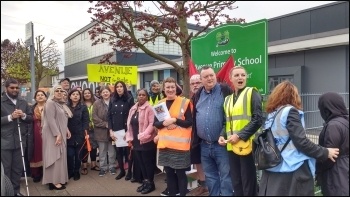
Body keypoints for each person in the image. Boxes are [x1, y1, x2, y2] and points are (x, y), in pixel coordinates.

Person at [258, 81, 340, 196]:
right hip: (292, 167)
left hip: (273, 165)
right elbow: (301, 142)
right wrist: (325, 152)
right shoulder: (290, 112)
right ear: (293, 95)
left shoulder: (272, 115)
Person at [218, 66, 262, 196]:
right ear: (231, 79)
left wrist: (240, 135)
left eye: (243, 75)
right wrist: (222, 135)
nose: (240, 78)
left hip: (248, 144)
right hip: (232, 146)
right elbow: (227, 123)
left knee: (248, 182)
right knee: (236, 181)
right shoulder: (227, 100)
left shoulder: (252, 93)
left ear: (246, 77)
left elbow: (258, 119)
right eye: (236, 75)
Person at [192, 66, 233, 196]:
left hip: (221, 144)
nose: (209, 78)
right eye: (206, 76)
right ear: (201, 79)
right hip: (204, 144)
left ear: (215, 76)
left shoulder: (225, 90)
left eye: (211, 75)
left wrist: (224, 134)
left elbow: (230, 117)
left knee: (226, 176)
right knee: (210, 176)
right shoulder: (197, 95)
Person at [153, 77, 193, 196]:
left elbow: (189, 122)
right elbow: (156, 123)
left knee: (181, 174)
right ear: (164, 89)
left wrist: (174, 120)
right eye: (168, 87)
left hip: (180, 146)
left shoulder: (184, 102)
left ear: (176, 88)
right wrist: (164, 123)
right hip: (165, 146)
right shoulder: (159, 104)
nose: (170, 89)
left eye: (172, 87)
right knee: (169, 174)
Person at [1, 78, 33, 196]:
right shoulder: (1, 102)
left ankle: (16, 191)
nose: (15, 90)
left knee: (17, 169)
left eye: (17, 88)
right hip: (5, 141)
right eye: (12, 88)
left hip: (20, 140)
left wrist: (23, 115)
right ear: (6, 88)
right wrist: (10, 117)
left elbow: (30, 119)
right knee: (6, 169)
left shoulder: (23, 102)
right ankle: (6, 192)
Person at [316, 92, 349, 196]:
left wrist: (319, 170)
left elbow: (331, 156)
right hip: (345, 167)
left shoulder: (333, 126)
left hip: (336, 174)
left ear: (326, 109)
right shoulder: (345, 121)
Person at [125, 88, 157, 194]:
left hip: (147, 141)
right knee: (141, 163)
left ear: (147, 96)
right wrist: (130, 138)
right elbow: (129, 124)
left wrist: (144, 135)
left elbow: (152, 124)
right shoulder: (133, 109)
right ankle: (145, 182)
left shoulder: (149, 108)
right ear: (136, 96)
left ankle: (151, 184)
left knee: (148, 163)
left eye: (143, 95)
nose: (141, 96)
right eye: (139, 95)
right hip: (136, 141)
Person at [42, 85, 72, 190]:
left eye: (61, 90)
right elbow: (50, 120)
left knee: (60, 157)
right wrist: (57, 134)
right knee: (54, 156)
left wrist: (66, 130)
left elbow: (62, 119)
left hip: (60, 132)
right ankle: (53, 181)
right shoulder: (50, 103)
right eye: (57, 90)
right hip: (52, 133)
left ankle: (59, 178)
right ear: (53, 92)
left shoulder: (60, 104)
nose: (59, 92)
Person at [108, 81, 135, 180]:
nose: (119, 88)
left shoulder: (129, 99)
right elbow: (109, 116)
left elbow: (132, 116)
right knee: (118, 152)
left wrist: (129, 131)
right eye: (117, 87)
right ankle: (122, 172)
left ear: (124, 88)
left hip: (126, 130)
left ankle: (130, 172)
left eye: (121, 86)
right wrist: (110, 130)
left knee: (128, 152)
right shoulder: (112, 99)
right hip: (116, 131)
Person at [188, 74, 208, 196]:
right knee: (197, 162)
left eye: (198, 82)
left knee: (210, 162)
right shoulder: (188, 100)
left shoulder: (207, 97)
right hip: (193, 138)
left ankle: (214, 186)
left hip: (207, 138)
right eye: (193, 83)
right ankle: (203, 185)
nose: (195, 85)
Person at [92, 86, 117, 177]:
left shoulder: (114, 101)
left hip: (113, 131)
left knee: (112, 150)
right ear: (100, 94)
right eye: (103, 92)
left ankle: (112, 166)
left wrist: (112, 125)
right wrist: (106, 124)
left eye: (107, 92)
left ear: (110, 92)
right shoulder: (96, 103)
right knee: (102, 151)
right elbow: (94, 117)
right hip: (100, 131)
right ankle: (103, 167)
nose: (105, 93)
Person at [66, 87, 89, 181]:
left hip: (80, 133)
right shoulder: (65, 106)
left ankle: (76, 171)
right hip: (69, 134)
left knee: (78, 154)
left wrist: (85, 132)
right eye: (73, 94)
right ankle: (70, 171)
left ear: (80, 97)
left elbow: (86, 121)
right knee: (70, 154)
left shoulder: (83, 107)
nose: (75, 96)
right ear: (70, 96)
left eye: (77, 94)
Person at [28, 90, 48, 183]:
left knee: (47, 152)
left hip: (48, 133)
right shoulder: (31, 109)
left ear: (45, 97)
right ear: (35, 98)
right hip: (35, 133)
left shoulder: (50, 107)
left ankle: (47, 172)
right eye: (38, 95)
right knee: (36, 152)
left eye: (42, 95)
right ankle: (37, 173)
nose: (40, 96)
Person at [81, 88, 100, 174]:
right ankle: (84, 166)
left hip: (95, 128)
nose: (87, 94)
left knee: (94, 147)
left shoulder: (95, 103)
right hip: (84, 129)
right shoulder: (81, 104)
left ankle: (93, 164)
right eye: (85, 93)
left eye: (89, 93)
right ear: (83, 95)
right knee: (85, 147)